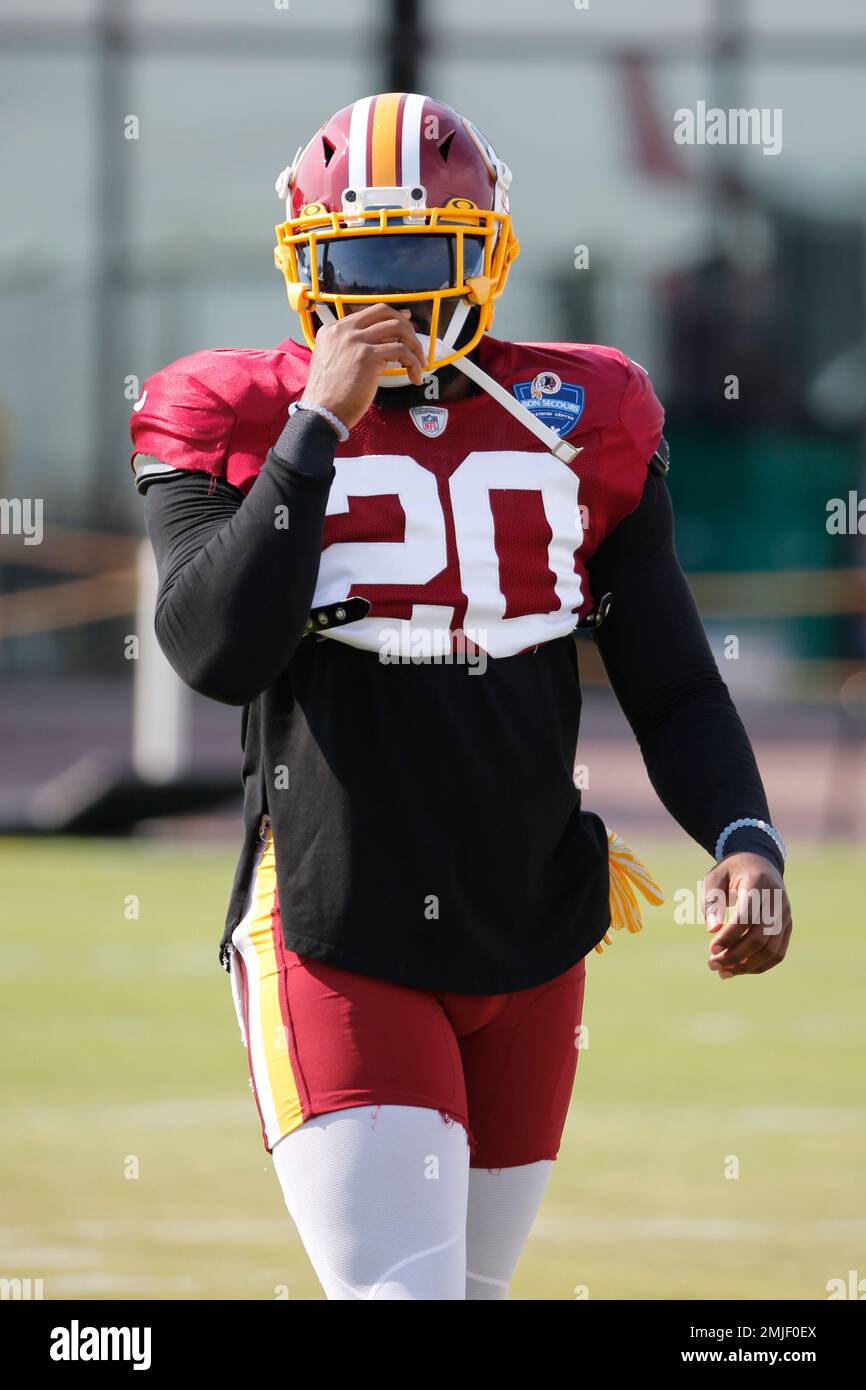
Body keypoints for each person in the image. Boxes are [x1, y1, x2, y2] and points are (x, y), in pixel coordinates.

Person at [131, 94, 792, 1301]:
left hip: (534, 926)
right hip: (339, 919)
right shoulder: (231, 410)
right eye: (352, 265)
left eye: (418, 257)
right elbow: (213, 649)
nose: (388, 299)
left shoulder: (584, 413)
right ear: (300, 259)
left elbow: (672, 679)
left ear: (484, 249)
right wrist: (313, 429)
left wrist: (743, 837)